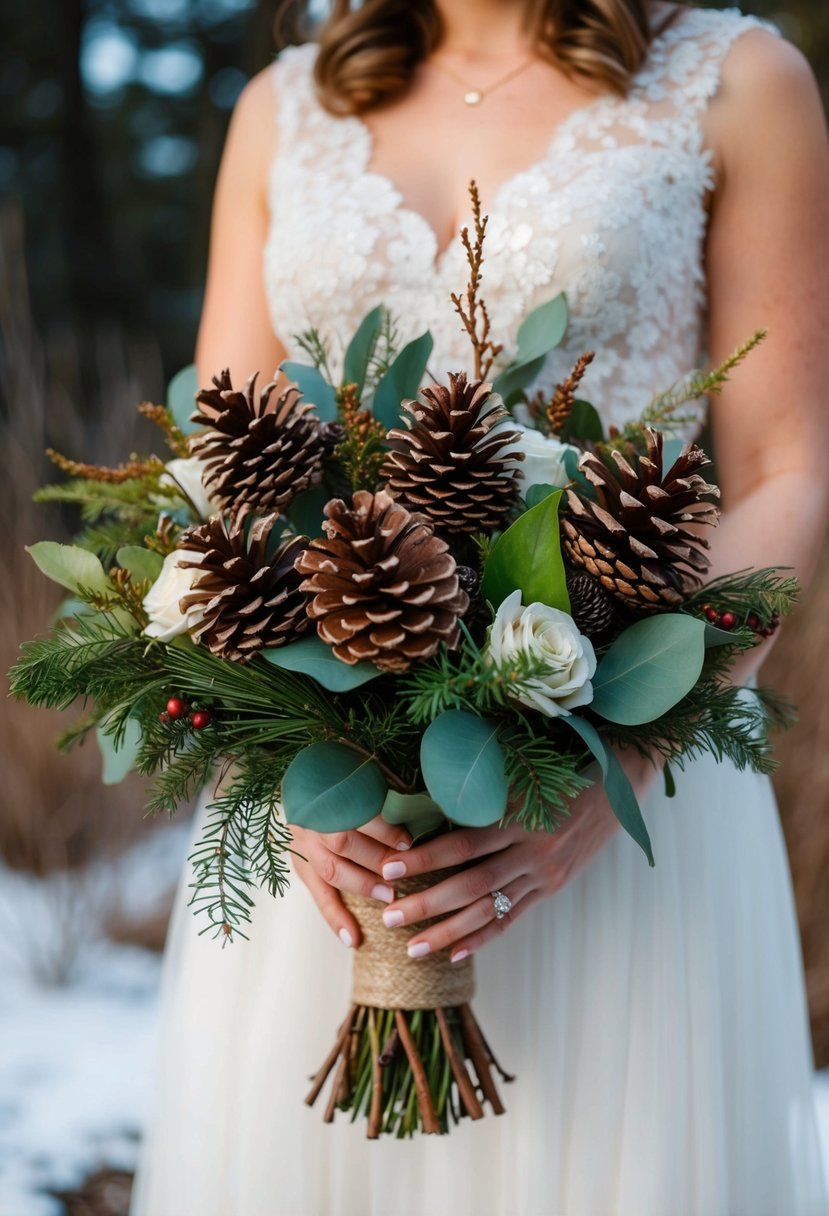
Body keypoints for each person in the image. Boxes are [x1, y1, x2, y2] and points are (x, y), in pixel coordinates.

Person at [131, 1, 829, 1213]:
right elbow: (225, 469)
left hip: (625, 774)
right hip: (325, 808)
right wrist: (272, 755)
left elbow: (786, 470)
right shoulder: (283, 107)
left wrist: (621, 760)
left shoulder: (735, 80)